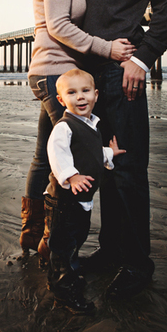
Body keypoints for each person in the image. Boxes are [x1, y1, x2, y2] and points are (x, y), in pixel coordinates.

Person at [74, 0, 167, 300]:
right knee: (105, 166)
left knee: (129, 172)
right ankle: (110, 250)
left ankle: (138, 266)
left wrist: (142, 57)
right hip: (92, 81)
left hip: (124, 78)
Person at [21, 0, 135, 264]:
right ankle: (57, 248)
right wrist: (107, 48)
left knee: (44, 157)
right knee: (73, 155)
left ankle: (33, 232)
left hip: (50, 70)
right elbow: (57, 24)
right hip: (57, 72)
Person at [44, 69, 124, 314]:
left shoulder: (91, 124)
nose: (80, 97)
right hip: (63, 201)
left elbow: (92, 154)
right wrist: (71, 175)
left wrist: (110, 153)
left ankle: (68, 273)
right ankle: (63, 292)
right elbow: (56, 154)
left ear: (96, 95)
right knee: (63, 246)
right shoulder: (64, 127)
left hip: (81, 202)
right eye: (72, 92)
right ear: (61, 100)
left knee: (75, 239)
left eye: (85, 91)